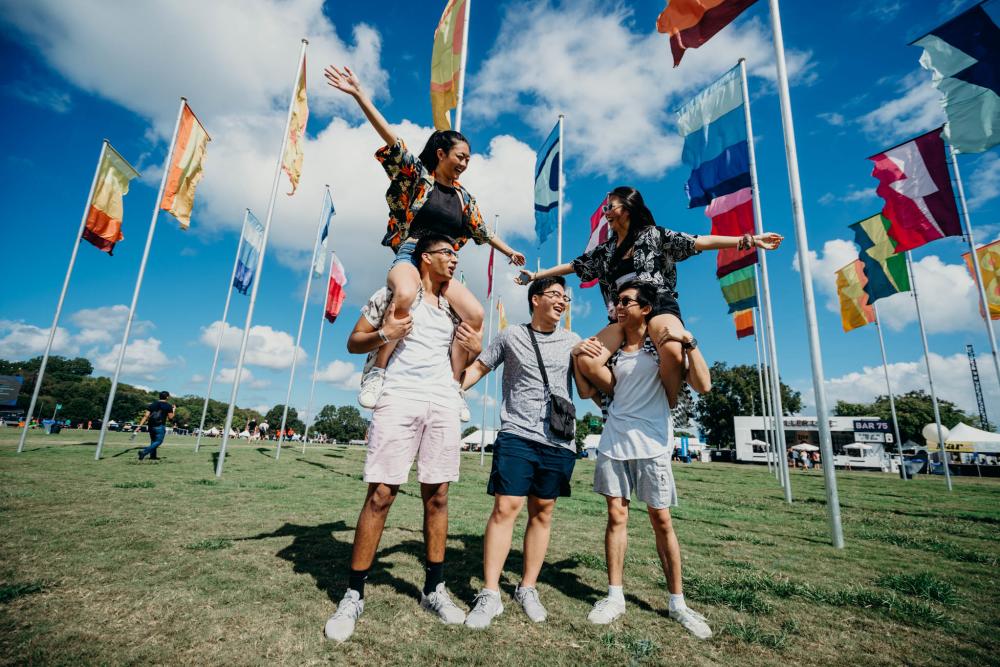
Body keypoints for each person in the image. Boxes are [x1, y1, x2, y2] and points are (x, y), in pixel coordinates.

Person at [325, 65, 525, 414]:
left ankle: (453, 385)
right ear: (441, 154)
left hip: (444, 264)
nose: (465, 163)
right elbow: (392, 142)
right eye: (460, 156)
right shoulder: (418, 179)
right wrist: (359, 95)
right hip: (412, 253)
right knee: (404, 293)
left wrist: (510, 252)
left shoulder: (464, 198)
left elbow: (481, 230)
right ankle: (378, 371)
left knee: (475, 314)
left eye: (468, 159)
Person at [325, 233, 482, 643]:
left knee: (439, 495)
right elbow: (352, 341)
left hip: (443, 399)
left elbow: (467, 352)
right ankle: (353, 593)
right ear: (425, 258)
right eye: (447, 253)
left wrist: (473, 348)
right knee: (381, 494)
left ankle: (434, 588)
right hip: (399, 395)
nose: (453, 260)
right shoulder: (392, 295)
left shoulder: (453, 308)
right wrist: (384, 333)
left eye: (456, 254)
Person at [516, 186, 781, 408]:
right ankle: (626, 403)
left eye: (610, 207)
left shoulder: (653, 235)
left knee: (673, 349)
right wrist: (537, 276)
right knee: (587, 360)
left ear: (627, 209)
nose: (605, 212)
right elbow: (574, 266)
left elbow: (700, 241)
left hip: (657, 303)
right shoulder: (605, 250)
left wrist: (749, 240)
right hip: (622, 313)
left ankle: (668, 404)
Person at [574, 281, 713, 639]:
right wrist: (578, 355)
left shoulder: (660, 348)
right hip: (614, 441)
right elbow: (587, 389)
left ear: (646, 308)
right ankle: (615, 596)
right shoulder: (615, 352)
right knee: (615, 517)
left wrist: (690, 342)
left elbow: (703, 385)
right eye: (616, 301)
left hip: (652, 444)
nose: (617, 307)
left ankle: (677, 602)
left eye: (625, 301)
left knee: (661, 520)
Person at [459, 276, 580, 629]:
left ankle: (527, 588)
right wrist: (451, 389)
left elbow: (590, 379)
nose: (562, 301)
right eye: (555, 295)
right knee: (505, 508)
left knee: (542, 512)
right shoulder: (511, 335)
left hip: (559, 441)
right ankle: (491, 593)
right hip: (517, 434)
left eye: (565, 297)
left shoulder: (573, 341)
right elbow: (480, 366)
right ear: (535, 299)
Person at [137, 391, 174, 461]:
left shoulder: (152, 404)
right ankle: (144, 452)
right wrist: (174, 410)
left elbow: (146, 416)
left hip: (150, 425)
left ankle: (153, 456)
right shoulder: (168, 406)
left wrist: (140, 425)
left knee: (153, 441)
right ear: (167, 397)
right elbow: (170, 418)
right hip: (160, 425)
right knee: (159, 441)